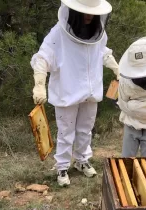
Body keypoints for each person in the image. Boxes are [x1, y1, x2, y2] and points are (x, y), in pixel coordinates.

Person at [30, 0, 120, 187]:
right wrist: (39, 84)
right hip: (67, 90)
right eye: (84, 12)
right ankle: (62, 166)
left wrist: (115, 67)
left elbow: (103, 51)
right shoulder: (58, 33)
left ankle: (82, 160)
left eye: (92, 12)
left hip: (91, 91)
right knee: (66, 132)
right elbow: (42, 58)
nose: (89, 16)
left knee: (85, 130)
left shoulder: (98, 32)